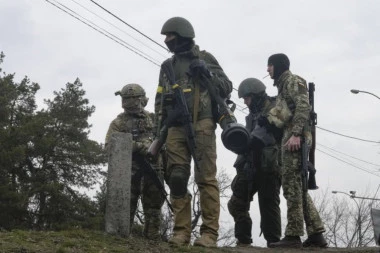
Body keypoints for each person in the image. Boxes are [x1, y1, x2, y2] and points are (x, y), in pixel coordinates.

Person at [154, 17, 233, 247]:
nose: (167, 41)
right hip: (174, 128)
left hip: (203, 124)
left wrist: (207, 72)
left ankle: (209, 233)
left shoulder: (205, 58)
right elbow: (159, 100)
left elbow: (226, 87)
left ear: (182, 35)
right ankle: (181, 232)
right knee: (177, 178)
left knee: (205, 179)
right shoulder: (167, 66)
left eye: (170, 36)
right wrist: (158, 132)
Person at [265, 53, 327, 248]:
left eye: (270, 66)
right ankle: (316, 234)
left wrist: (297, 134)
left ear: (278, 65)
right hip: (291, 136)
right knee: (297, 188)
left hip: (295, 138)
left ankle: (293, 235)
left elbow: (303, 107)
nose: (268, 70)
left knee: (291, 186)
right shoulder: (284, 86)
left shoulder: (293, 81)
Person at [105, 83, 165, 240]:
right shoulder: (118, 123)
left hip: (153, 168)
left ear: (139, 100)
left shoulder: (153, 119)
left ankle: (152, 237)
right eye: (125, 99)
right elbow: (110, 146)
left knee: (154, 204)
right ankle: (121, 236)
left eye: (130, 98)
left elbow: (164, 141)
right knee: (126, 205)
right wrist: (138, 146)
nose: (126, 102)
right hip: (128, 170)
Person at [227, 78, 282, 248]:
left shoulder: (274, 107)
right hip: (249, 165)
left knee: (268, 204)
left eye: (247, 98)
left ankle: (273, 242)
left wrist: (250, 141)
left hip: (269, 165)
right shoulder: (251, 115)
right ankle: (243, 240)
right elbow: (249, 139)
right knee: (236, 202)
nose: (245, 102)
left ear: (256, 95)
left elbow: (263, 136)